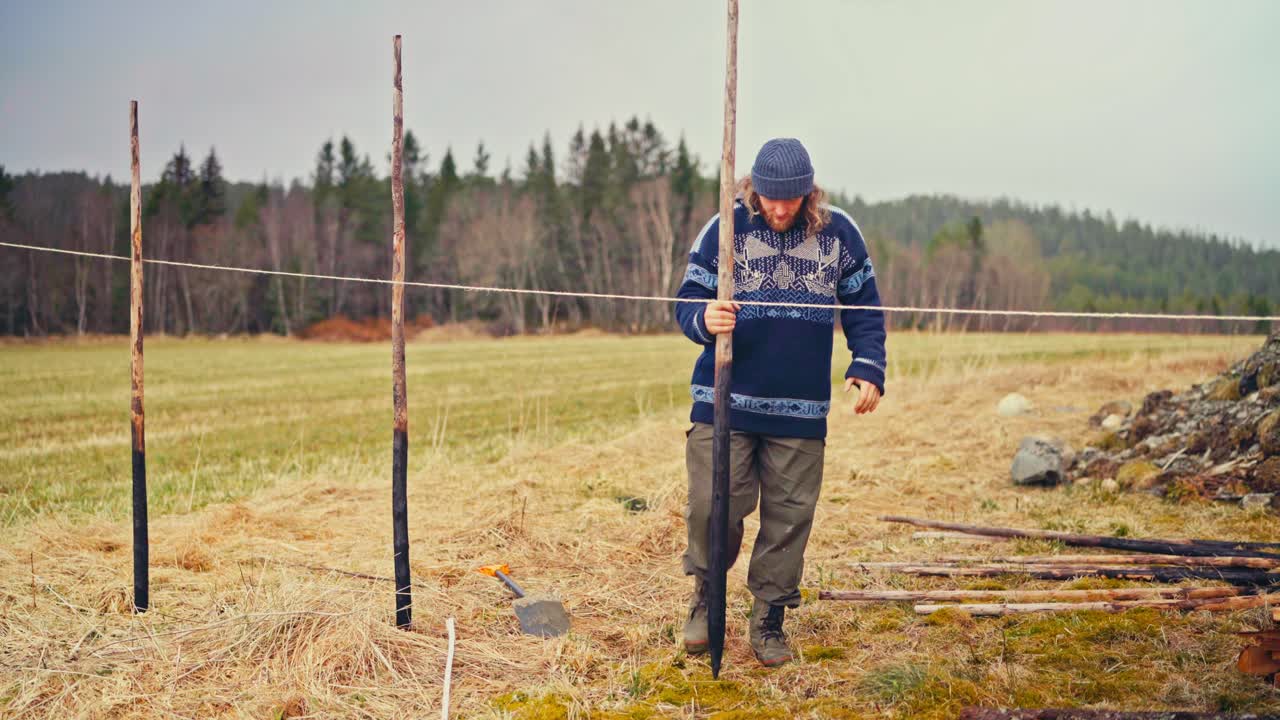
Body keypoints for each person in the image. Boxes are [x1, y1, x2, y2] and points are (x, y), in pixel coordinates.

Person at [673, 137, 887, 667]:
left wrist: (867, 366)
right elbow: (687, 301)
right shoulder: (724, 226)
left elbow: (865, 307)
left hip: (801, 410)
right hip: (724, 400)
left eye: (791, 199)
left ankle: (769, 616)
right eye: (771, 198)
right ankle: (706, 597)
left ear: (809, 192)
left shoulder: (840, 231)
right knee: (711, 504)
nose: (780, 208)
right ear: (754, 187)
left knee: (790, 517)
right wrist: (704, 320)